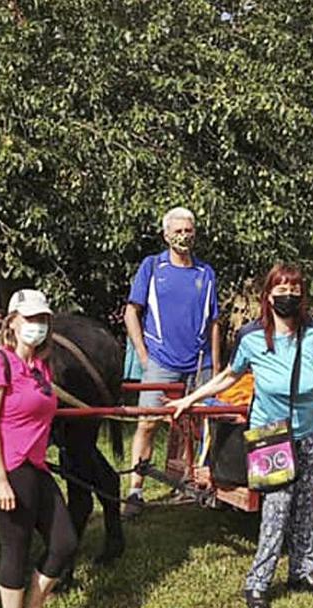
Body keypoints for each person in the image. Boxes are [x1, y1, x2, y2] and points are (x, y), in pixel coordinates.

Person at [171, 263, 313, 608]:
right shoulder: (252, 338)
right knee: (276, 507)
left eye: (294, 291)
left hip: (308, 433)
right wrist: (190, 399)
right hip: (270, 435)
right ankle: (258, 582)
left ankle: (305, 570)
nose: (288, 297)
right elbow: (228, 376)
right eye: (281, 291)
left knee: (302, 505)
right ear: (267, 297)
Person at [0, 289, 78, 608]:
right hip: (5, 469)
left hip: (34, 467)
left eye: (42, 319)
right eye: (30, 319)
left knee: (64, 541)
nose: (37, 326)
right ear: (12, 322)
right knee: (15, 547)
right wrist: (0, 478)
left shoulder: (40, 366)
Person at [123, 207, 221, 516]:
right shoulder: (152, 267)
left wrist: (217, 367)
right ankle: (135, 492)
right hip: (161, 361)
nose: (183, 236)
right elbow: (131, 313)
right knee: (148, 424)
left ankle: (202, 485)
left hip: (200, 362)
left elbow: (215, 322)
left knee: (208, 424)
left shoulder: (206, 273)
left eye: (188, 231)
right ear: (166, 234)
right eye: (178, 231)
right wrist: (143, 355)